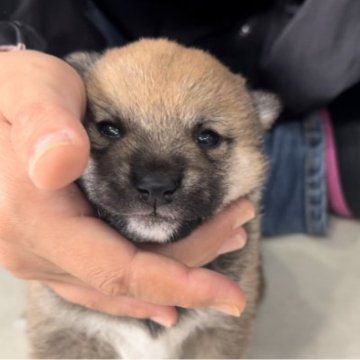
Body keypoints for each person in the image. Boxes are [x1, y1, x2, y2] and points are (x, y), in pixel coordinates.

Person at [1, 0, 360, 325]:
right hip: (79, 36)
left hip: (293, 86)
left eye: (207, 139)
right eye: (110, 130)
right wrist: (10, 51)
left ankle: (304, 161)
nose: (156, 181)